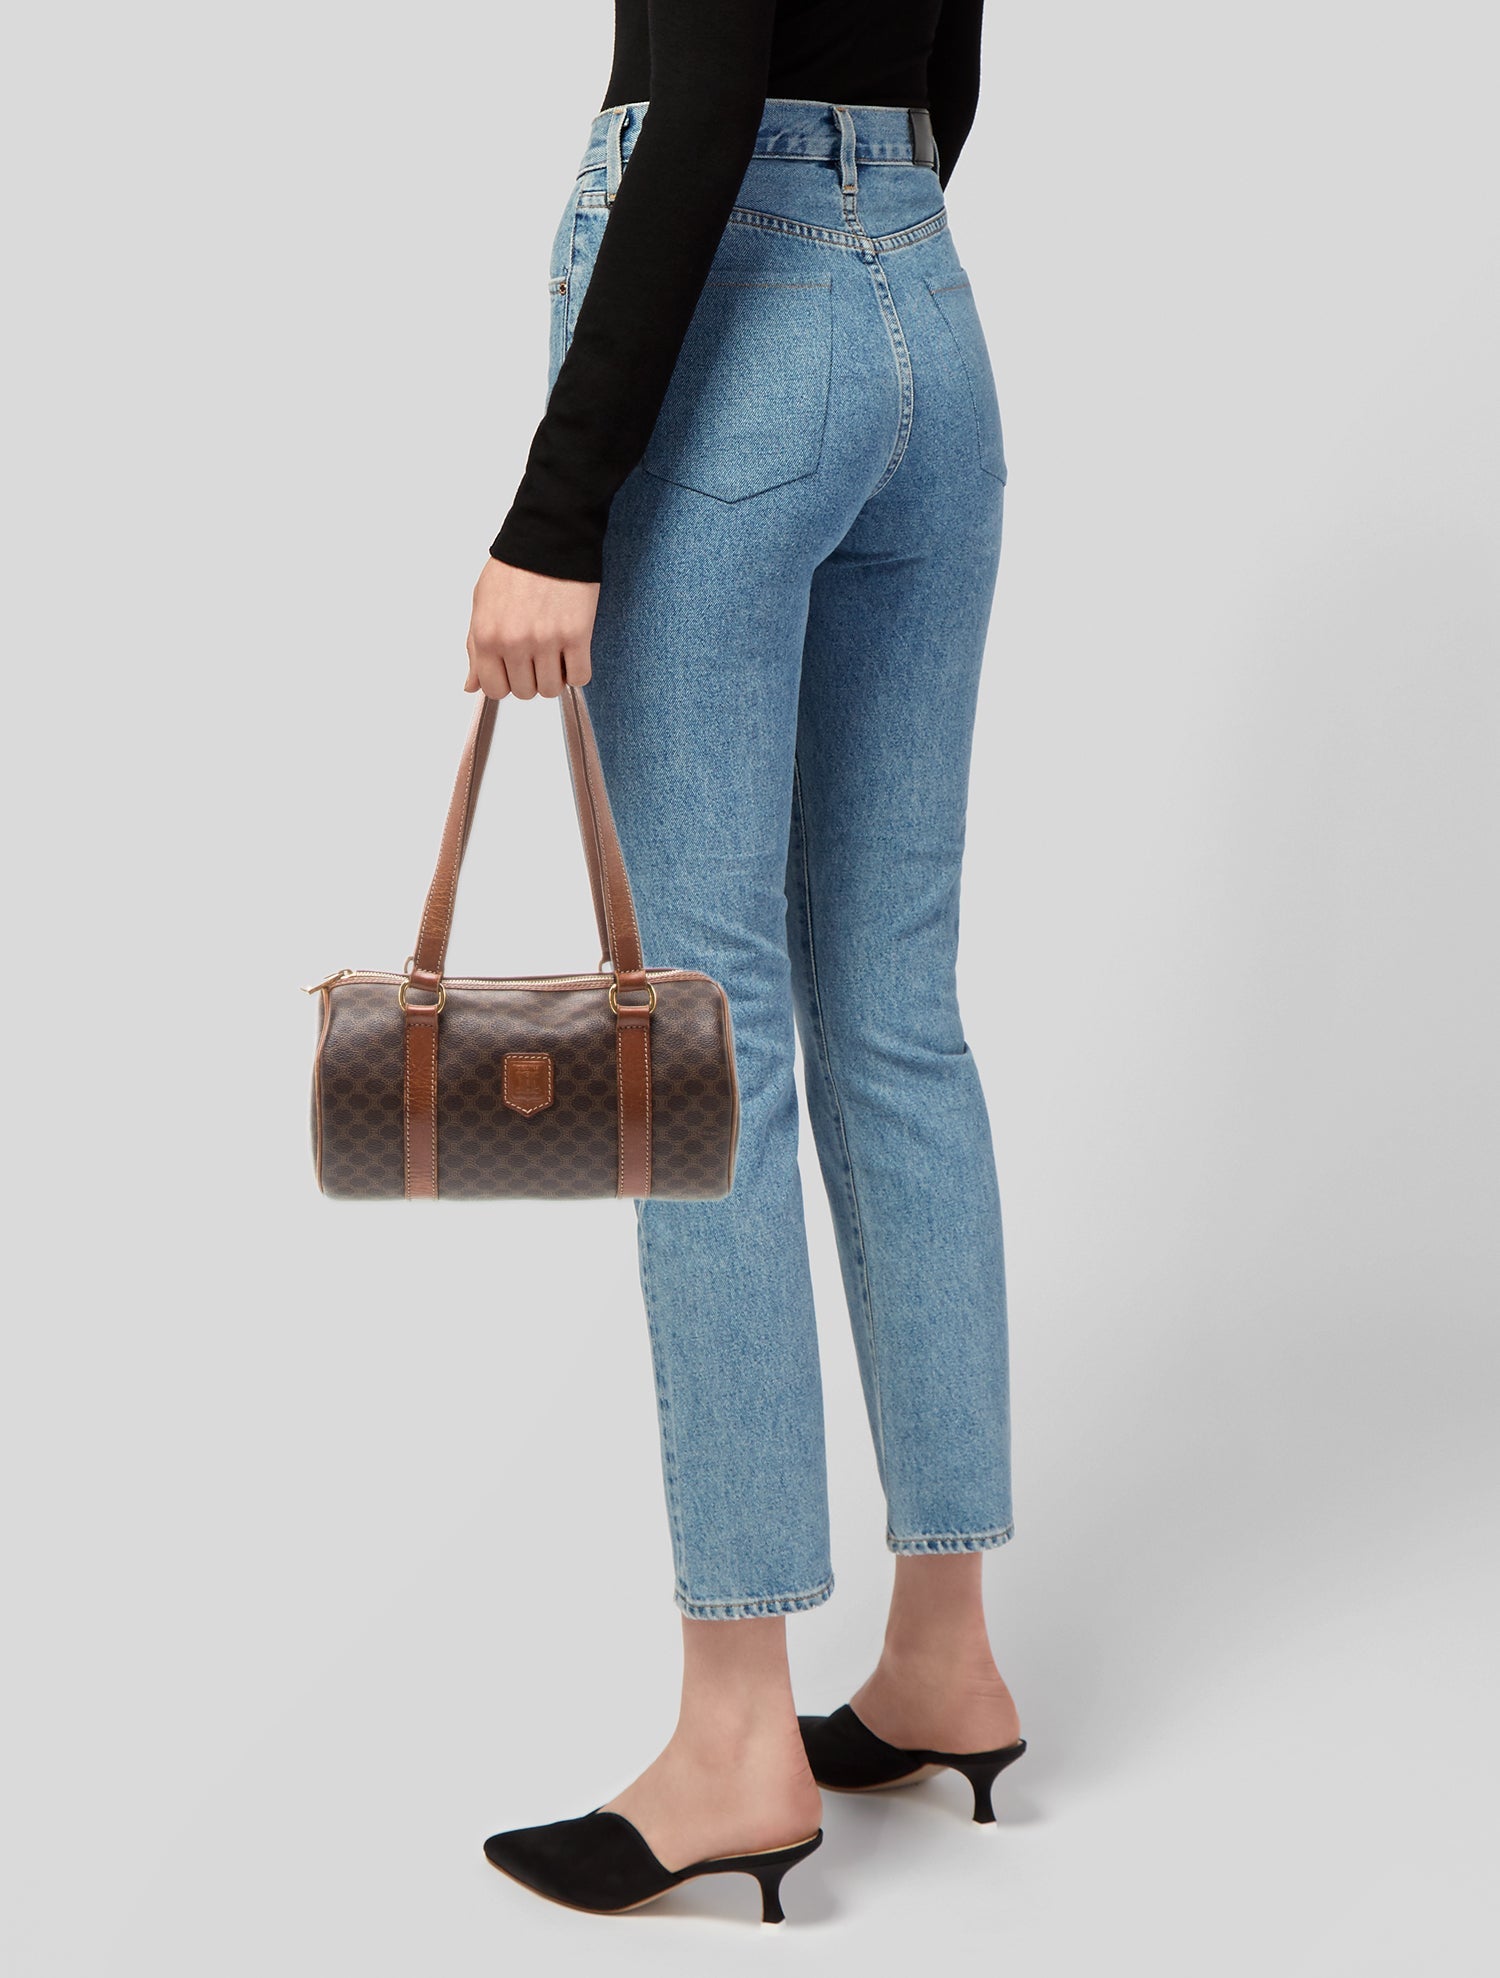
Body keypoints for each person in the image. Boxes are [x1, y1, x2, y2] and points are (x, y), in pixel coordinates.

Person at [468, 1, 1023, 1921]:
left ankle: (734, 1737)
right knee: (897, 1012)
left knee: (693, 1035)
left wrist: (555, 514)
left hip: (735, 318)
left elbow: (703, 87)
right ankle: (945, 1653)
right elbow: (951, 64)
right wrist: (865, 228)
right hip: (925, 315)